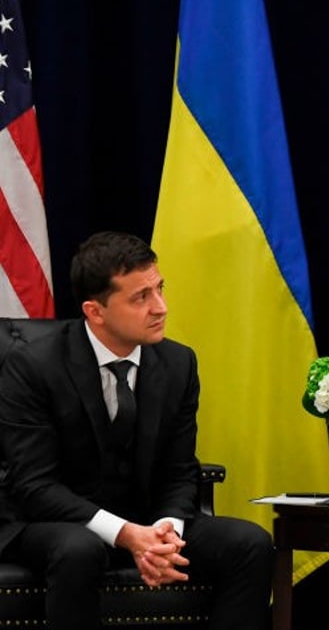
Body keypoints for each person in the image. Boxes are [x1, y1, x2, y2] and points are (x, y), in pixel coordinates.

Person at [0, 231, 276, 629]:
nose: (160, 307)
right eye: (140, 298)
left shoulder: (179, 363)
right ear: (95, 312)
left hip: (146, 520)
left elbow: (180, 470)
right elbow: (36, 487)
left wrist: (167, 534)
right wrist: (126, 534)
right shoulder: (34, 366)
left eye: (159, 289)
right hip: (48, 523)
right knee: (79, 550)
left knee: (249, 544)